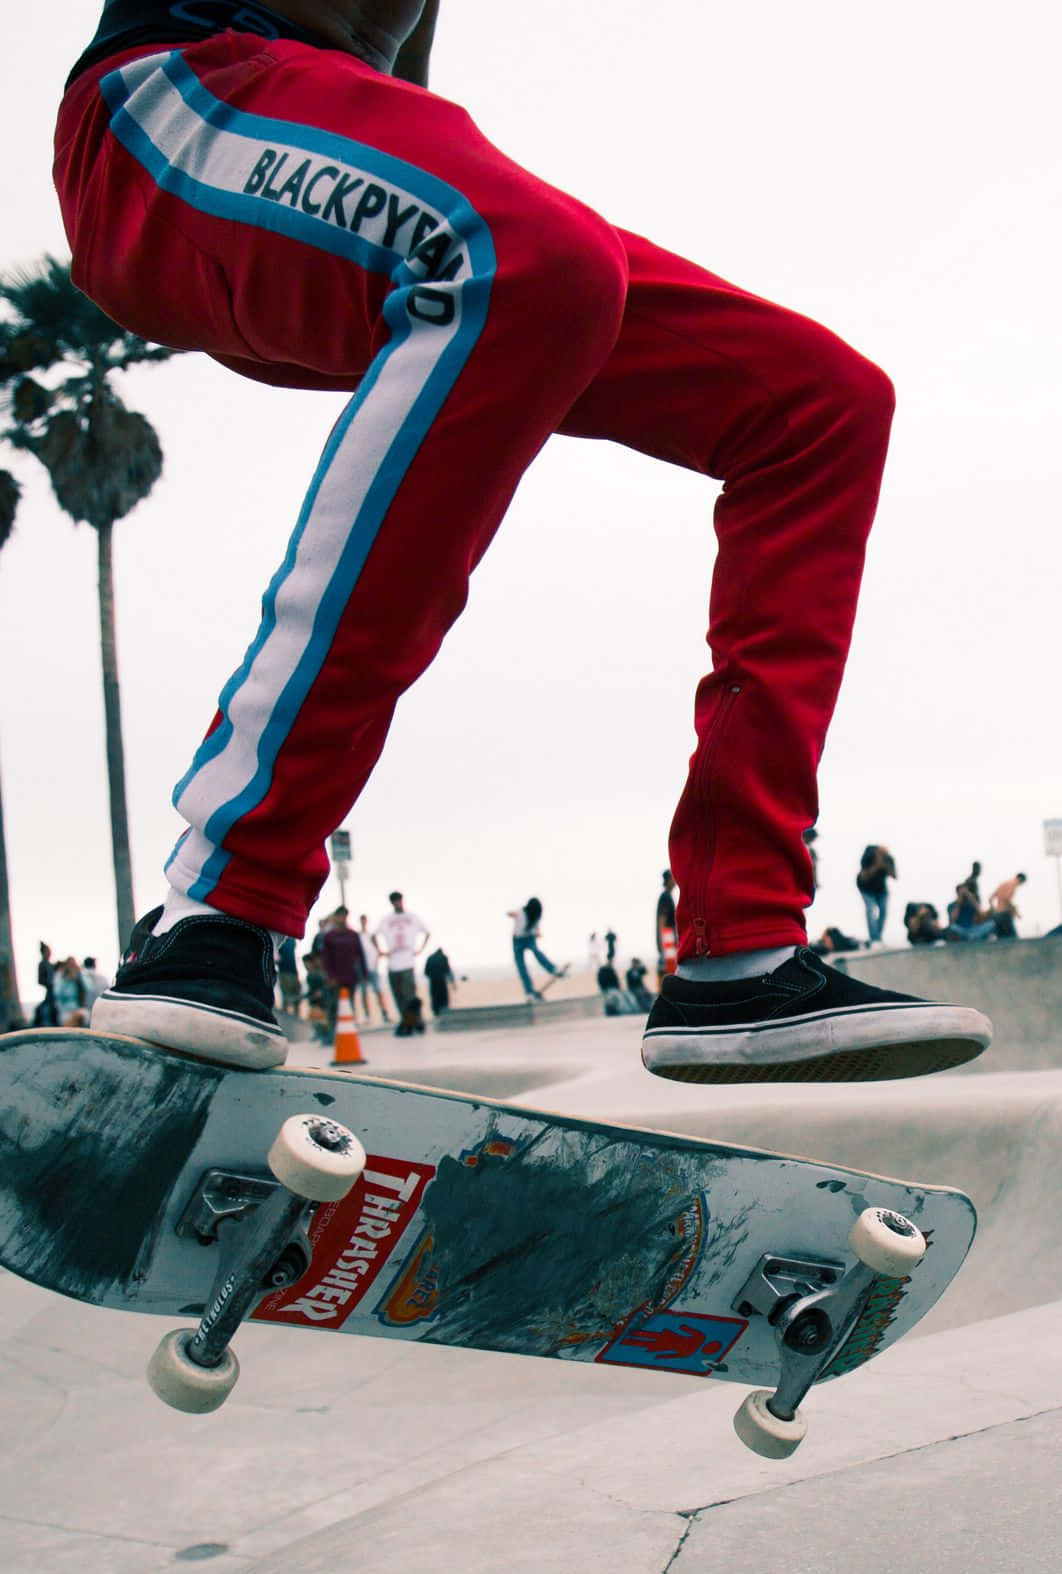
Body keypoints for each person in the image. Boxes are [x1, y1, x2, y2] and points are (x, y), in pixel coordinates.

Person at [61, 0, 990, 1083]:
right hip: (162, 120)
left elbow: (398, 88)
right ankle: (221, 899)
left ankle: (741, 945)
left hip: (323, 175)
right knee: (532, 254)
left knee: (821, 402)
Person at [375, 890, 429, 1020]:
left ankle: (416, 1020)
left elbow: (427, 932)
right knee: (398, 995)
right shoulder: (387, 919)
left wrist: (420, 949)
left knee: (409, 994)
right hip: (393, 963)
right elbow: (374, 935)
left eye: (398, 900)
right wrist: (381, 951)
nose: (397, 903)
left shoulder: (412, 917)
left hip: (407, 962)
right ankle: (407, 1021)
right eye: (394, 901)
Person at [319, 902, 365, 1029]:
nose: (342, 918)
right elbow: (326, 959)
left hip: (350, 977)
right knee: (334, 1006)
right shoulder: (329, 936)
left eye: (344, 916)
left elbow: (361, 955)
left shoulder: (353, 935)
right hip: (335, 979)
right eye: (339, 916)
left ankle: (348, 1030)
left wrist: (364, 974)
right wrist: (330, 977)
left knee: (349, 1005)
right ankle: (333, 1033)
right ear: (336, 917)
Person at [508, 899, 566, 1001]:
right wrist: (512, 914)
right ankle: (529, 992)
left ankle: (553, 969)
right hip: (517, 940)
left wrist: (538, 933)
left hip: (530, 938)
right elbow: (512, 913)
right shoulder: (521, 912)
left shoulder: (536, 916)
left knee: (536, 952)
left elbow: (537, 929)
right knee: (521, 967)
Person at [856, 845, 897, 946]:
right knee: (870, 910)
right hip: (866, 887)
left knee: (883, 910)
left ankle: (878, 936)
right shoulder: (868, 856)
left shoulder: (888, 859)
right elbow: (865, 875)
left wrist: (887, 866)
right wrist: (877, 865)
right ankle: (874, 938)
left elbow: (894, 876)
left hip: (881, 889)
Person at [358, 912, 391, 1023]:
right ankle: (367, 1016)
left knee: (378, 991)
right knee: (364, 993)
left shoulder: (371, 936)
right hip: (362, 969)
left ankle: (384, 1014)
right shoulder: (358, 936)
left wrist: (378, 962)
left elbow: (378, 950)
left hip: (373, 968)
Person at [989, 873, 1026, 937]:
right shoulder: (1013, 884)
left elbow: (990, 898)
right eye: (1022, 883)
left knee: (1001, 940)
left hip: (997, 914)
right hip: (1005, 914)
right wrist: (1015, 911)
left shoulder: (1003, 884)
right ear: (1020, 879)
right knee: (1013, 939)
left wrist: (993, 910)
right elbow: (1006, 899)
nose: (1020, 885)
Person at [656, 871, 677, 977]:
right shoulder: (665, 897)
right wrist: (662, 942)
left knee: (670, 968)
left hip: (668, 936)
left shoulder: (667, 896)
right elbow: (662, 920)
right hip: (667, 936)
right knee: (669, 970)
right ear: (668, 880)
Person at [423, 944, 454, 1015]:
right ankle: (443, 1010)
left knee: (434, 995)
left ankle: (436, 1011)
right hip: (441, 979)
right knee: (443, 996)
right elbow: (447, 969)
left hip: (433, 980)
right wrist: (452, 982)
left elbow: (426, 971)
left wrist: (431, 976)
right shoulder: (443, 957)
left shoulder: (430, 958)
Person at [33, 942, 58, 1028]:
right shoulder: (42, 964)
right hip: (50, 991)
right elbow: (40, 980)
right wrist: (50, 984)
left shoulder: (50, 964)